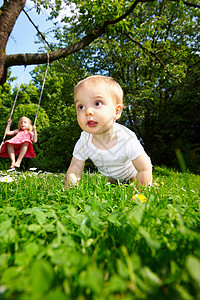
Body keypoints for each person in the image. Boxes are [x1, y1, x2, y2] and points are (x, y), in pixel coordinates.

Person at [65, 75, 152, 187]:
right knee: (112, 185)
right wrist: (68, 190)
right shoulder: (84, 140)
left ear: (116, 111)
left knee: (134, 180)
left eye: (97, 104)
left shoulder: (126, 138)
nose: (88, 111)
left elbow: (145, 168)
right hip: (111, 176)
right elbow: (74, 170)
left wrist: (140, 193)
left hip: (132, 174)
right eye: (81, 107)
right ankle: (113, 181)